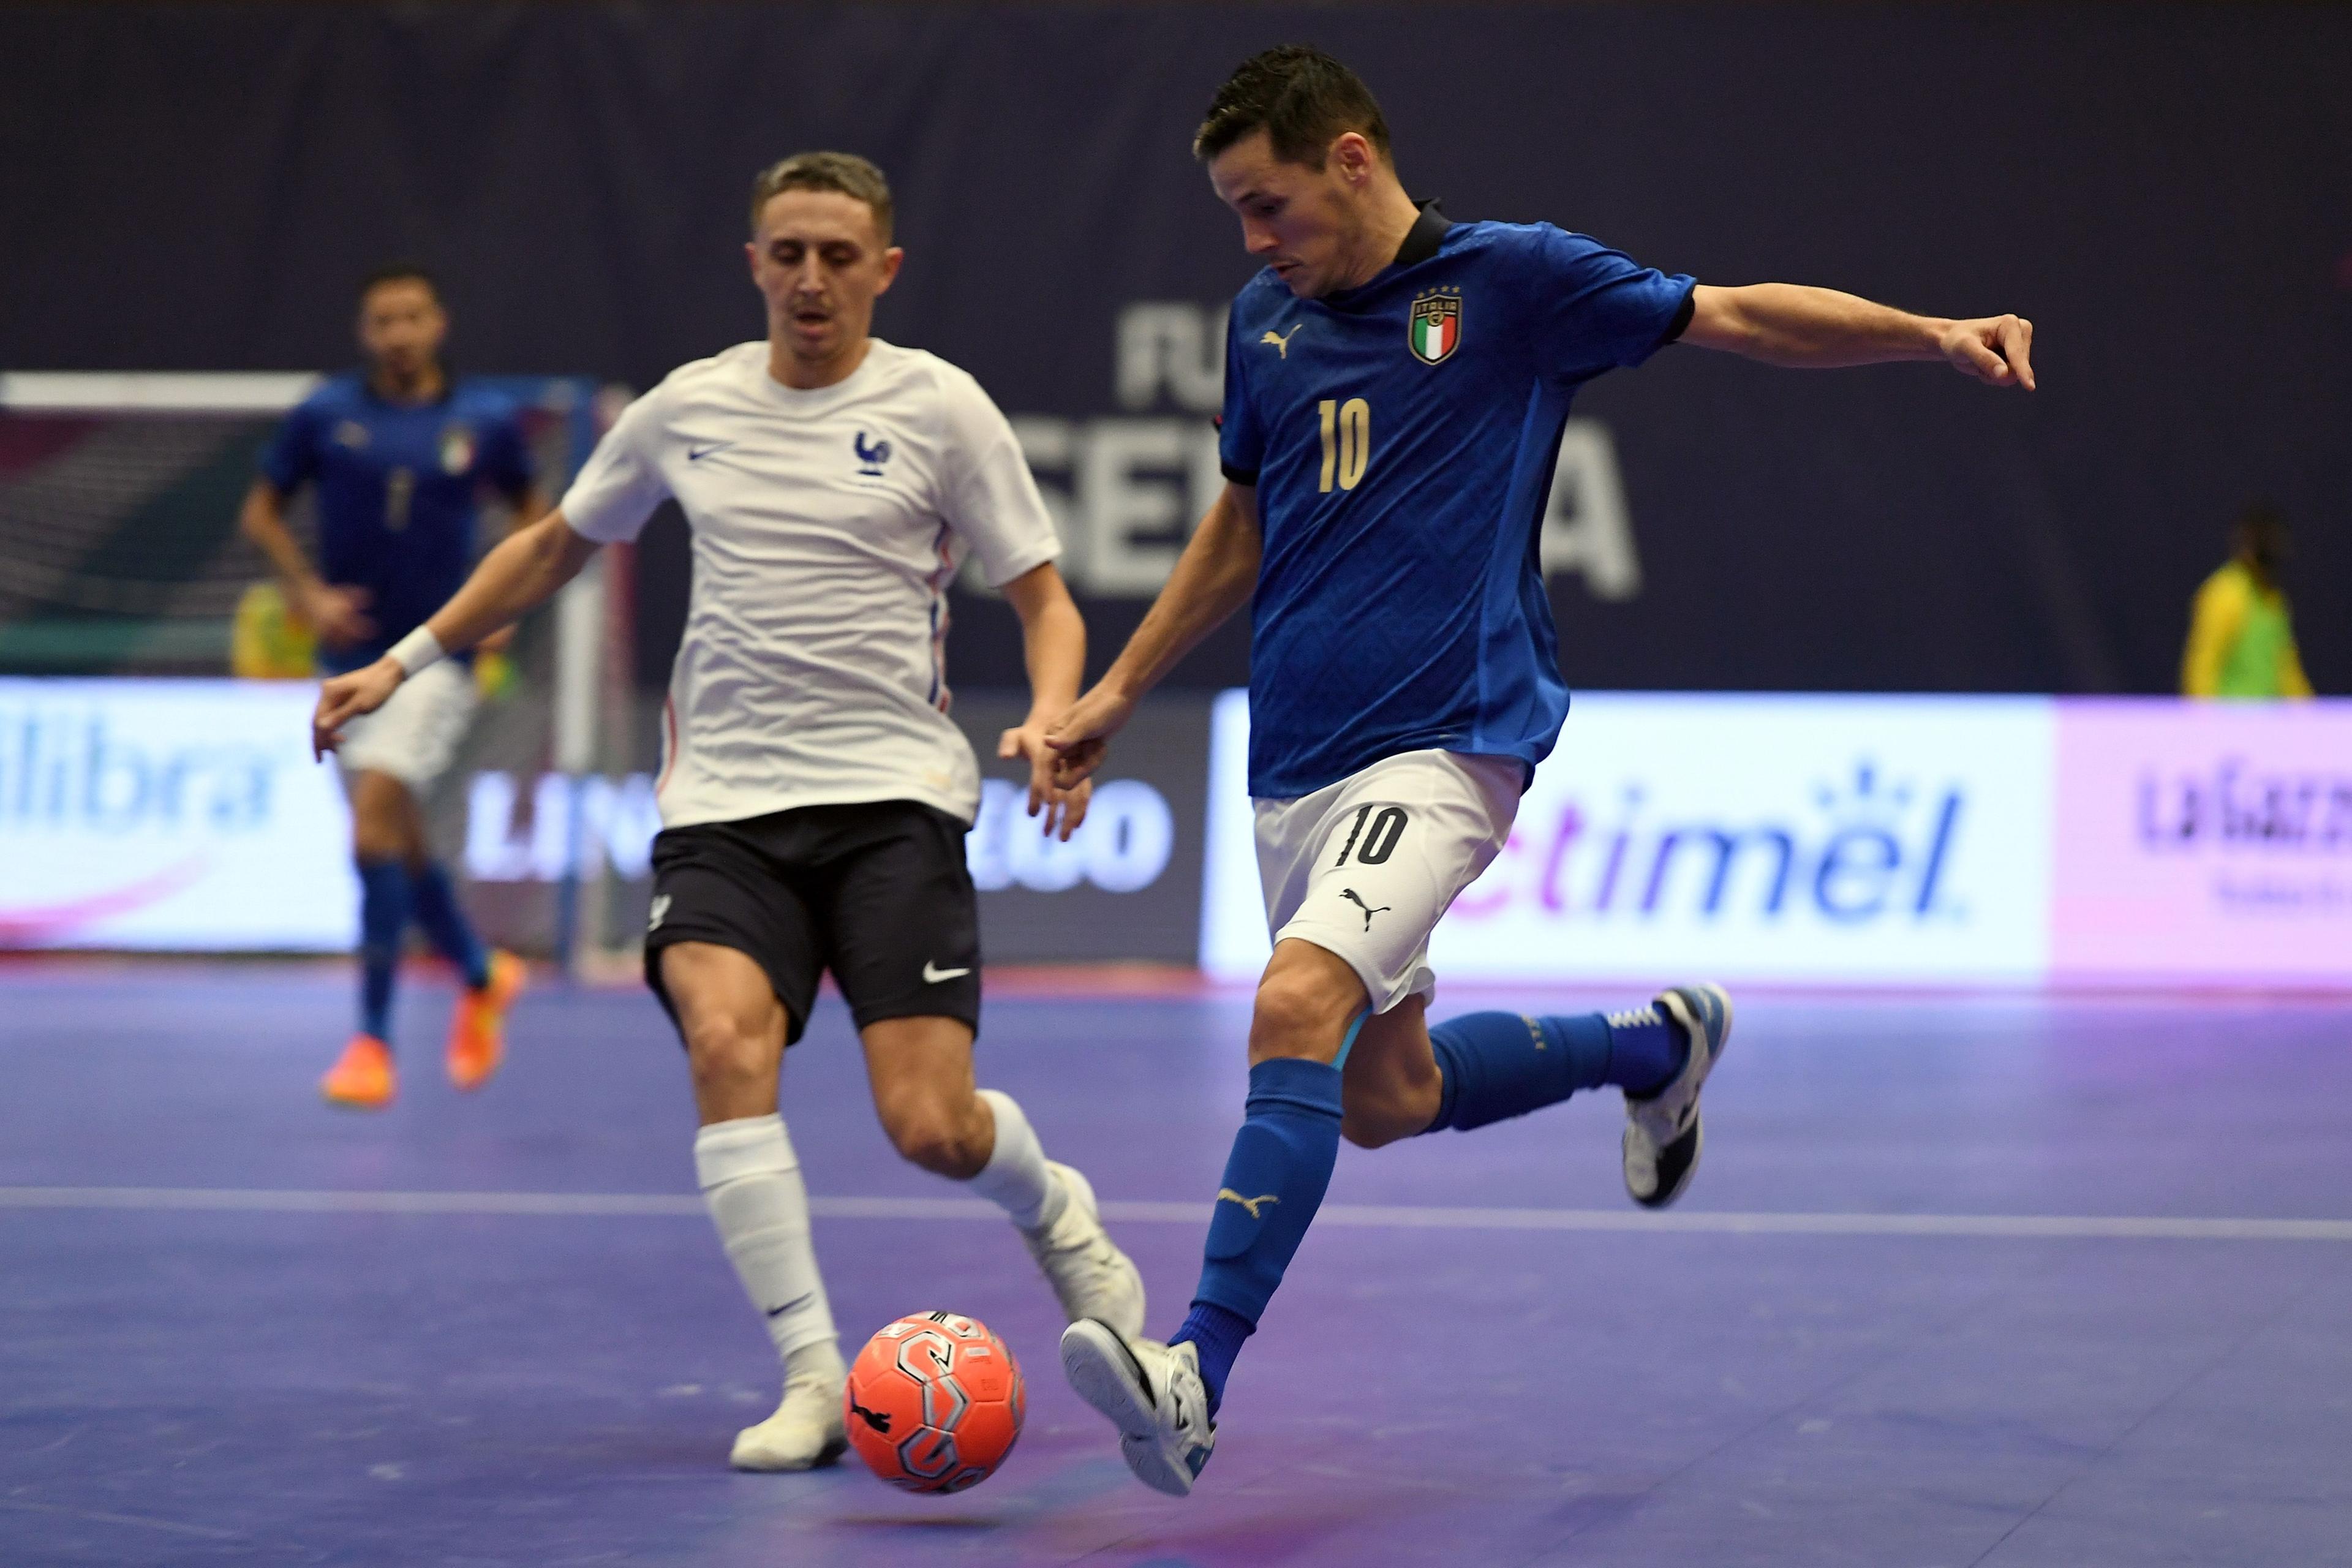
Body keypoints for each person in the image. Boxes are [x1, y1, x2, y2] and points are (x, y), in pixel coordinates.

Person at [1044, 45, 2040, 1496]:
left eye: (1266, 205)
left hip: (1450, 736)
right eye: (1234, 216)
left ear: (1351, 158)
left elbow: (1742, 317)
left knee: (1294, 1002)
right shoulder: (1265, 318)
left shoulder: (1510, 282)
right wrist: (1116, 692)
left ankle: (1190, 1371)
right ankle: (1655, 1045)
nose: (1253, 242)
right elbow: (1240, 531)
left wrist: (1930, 332)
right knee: (1379, 1091)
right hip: (1290, 766)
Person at [309, 153, 1145, 1471]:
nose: (812, 277)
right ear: (755, 262)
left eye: (837, 254)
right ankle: (815, 1376)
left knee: (932, 1125)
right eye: (788, 252)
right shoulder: (683, 409)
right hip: (723, 813)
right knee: (722, 1037)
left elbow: (1043, 594)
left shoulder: (942, 407)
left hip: (893, 803)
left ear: (884, 268)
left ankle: (1058, 1214)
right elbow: (550, 549)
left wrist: (1054, 715)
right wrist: (400, 659)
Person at [241, 263, 539, 1110]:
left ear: (438, 323)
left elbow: (535, 517)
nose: (399, 333)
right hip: (347, 660)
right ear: (365, 333)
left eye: (412, 316)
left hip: (436, 657)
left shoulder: (483, 419)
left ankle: (371, 1041)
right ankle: (481, 976)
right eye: (383, 321)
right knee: (397, 841)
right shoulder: (327, 414)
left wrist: (506, 604)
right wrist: (305, 593)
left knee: (376, 818)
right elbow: (261, 512)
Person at [2182, 502, 2313, 699]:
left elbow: (2286, 667)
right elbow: (2202, 666)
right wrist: (2206, 723)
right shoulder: (2224, 593)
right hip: (2229, 723)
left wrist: (2309, 718)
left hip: (2270, 723)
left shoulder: (2275, 600)